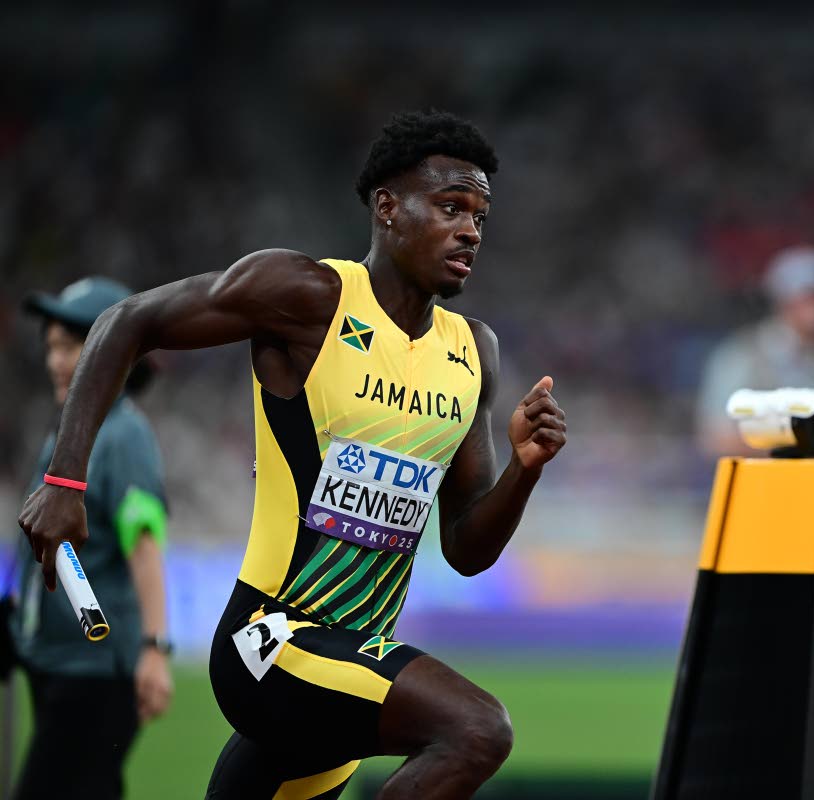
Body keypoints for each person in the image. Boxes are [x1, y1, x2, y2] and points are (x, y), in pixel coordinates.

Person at [18, 110, 566, 800]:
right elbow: (126, 322)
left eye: (480, 216)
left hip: (349, 669)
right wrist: (64, 480)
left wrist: (523, 470)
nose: (471, 230)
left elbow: (464, 548)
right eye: (451, 207)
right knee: (479, 730)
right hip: (270, 643)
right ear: (387, 208)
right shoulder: (307, 296)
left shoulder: (473, 351)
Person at [8, 276, 173, 800]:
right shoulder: (71, 433)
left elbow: (144, 545)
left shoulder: (122, 435)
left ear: (115, 355)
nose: (57, 361)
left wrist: (155, 649)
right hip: (57, 663)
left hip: (96, 670)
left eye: (73, 345)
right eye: (52, 346)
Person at [695, 246, 814, 456]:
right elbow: (717, 437)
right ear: (784, 301)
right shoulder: (744, 356)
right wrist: (794, 448)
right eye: (808, 298)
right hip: (766, 473)